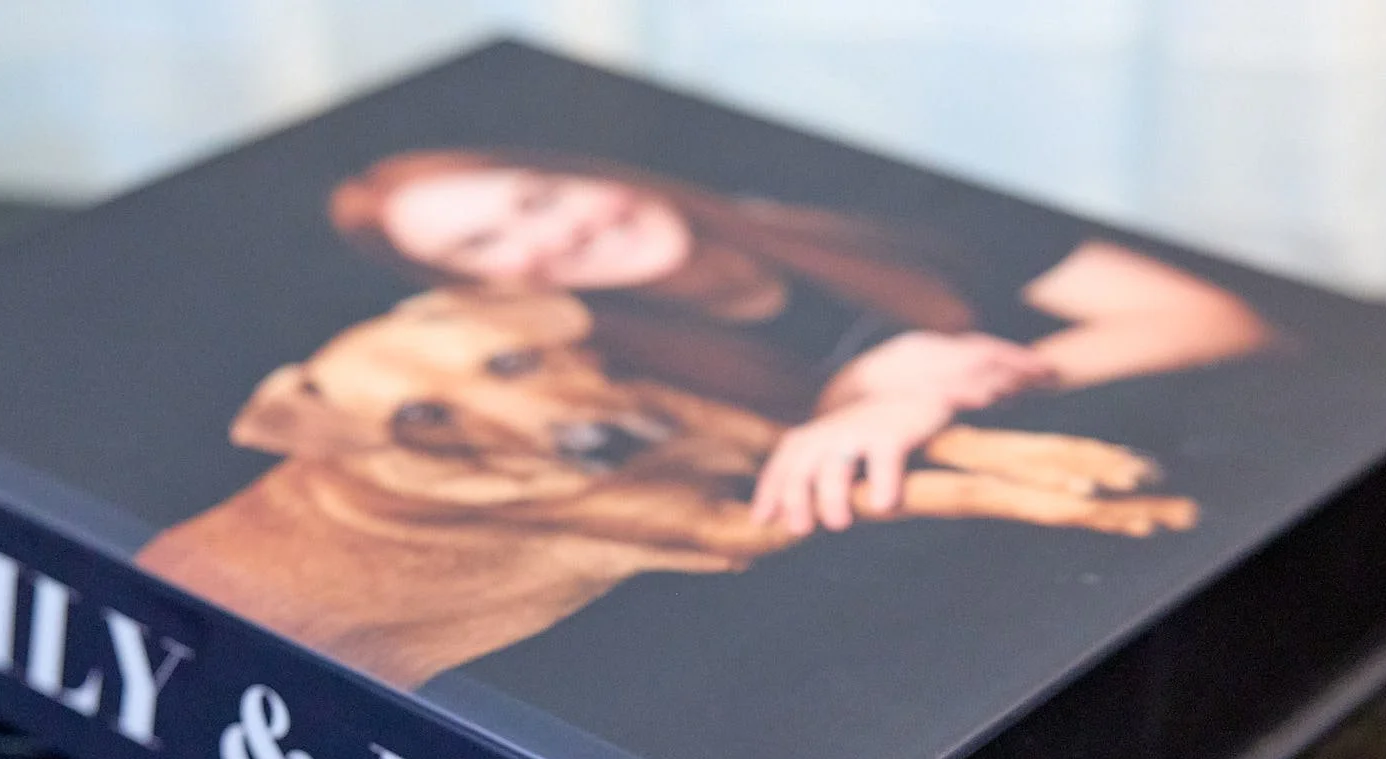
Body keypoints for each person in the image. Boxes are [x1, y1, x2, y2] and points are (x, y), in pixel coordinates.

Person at [331, 149, 1270, 536]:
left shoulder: (870, 200)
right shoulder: (600, 380)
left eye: (540, 197)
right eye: (484, 244)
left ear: (587, 173)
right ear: (481, 292)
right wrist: (856, 396)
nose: (560, 231)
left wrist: (933, 388)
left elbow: (1224, 321)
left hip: (1236, 462)